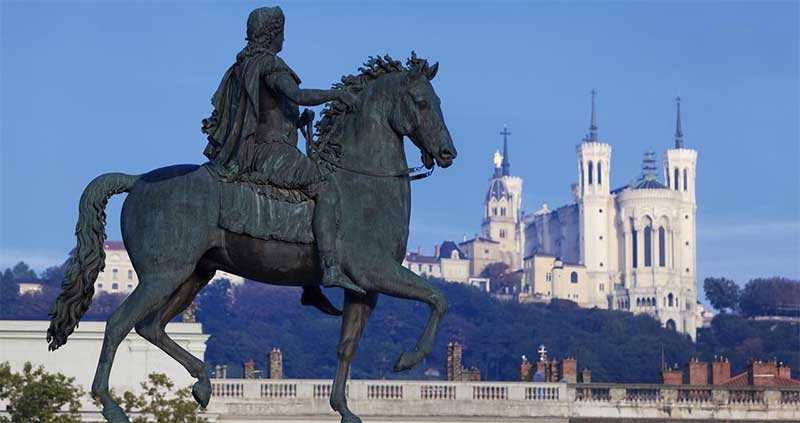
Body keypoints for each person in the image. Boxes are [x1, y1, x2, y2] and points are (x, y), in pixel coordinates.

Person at [201, 6, 365, 313]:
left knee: (305, 197)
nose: (283, 37)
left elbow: (268, 110)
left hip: (254, 148)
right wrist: (337, 95)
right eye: (281, 31)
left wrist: (294, 121)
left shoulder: (242, 65)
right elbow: (297, 94)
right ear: (272, 34)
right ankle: (329, 268)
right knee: (326, 188)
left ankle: (309, 283)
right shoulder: (268, 64)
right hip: (268, 152)